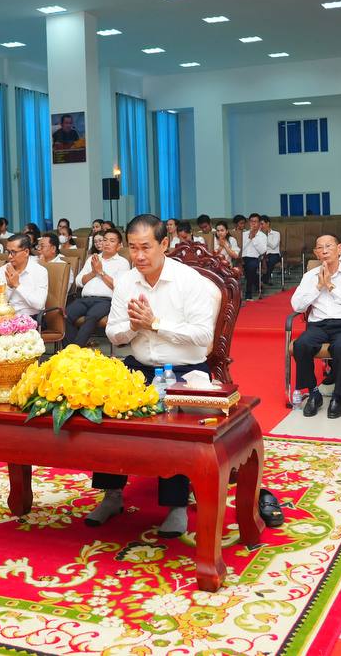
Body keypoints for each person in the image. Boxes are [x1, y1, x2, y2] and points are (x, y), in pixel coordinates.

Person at [89, 215, 222, 536]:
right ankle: (112, 494)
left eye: (146, 247)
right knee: (103, 408)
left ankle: (176, 507)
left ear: (164, 244)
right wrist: (134, 327)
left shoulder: (189, 281)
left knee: (172, 424)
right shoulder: (126, 282)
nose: (139, 256)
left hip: (185, 369)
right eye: (133, 248)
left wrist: (156, 324)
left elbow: (203, 335)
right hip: (140, 365)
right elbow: (115, 334)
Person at [289, 235, 341, 418]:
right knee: (301, 345)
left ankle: (338, 395)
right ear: (316, 252)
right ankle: (314, 393)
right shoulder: (309, 277)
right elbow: (297, 306)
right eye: (320, 247)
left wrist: (330, 286)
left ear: (339, 249)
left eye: (329, 246)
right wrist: (317, 287)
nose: (324, 251)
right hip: (318, 325)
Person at [65, 227, 130, 347]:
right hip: (85, 299)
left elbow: (119, 287)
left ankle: (74, 349)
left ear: (119, 246)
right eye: (105, 240)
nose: (107, 243)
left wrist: (100, 272)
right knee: (65, 315)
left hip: (105, 301)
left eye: (112, 241)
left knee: (92, 316)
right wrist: (93, 272)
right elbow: (79, 282)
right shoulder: (92, 259)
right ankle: (75, 348)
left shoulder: (123, 262)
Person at [0, 235, 49, 319]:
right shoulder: (3, 270)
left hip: (31, 318)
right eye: (8, 252)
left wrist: (17, 285)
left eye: (13, 252)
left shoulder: (40, 271)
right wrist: (9, 287)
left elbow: (40, 304)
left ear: (26, 252)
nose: (9, 256)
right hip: (6, 317)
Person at [241, 213, 268, 301]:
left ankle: (248, 293)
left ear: (259, 223)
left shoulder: (262, 236)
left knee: (250, 267)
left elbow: (262, 251)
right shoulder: (244, 234)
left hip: (255, 258)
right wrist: (249, 237)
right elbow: (241, 248)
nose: (253, 223)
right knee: (249, 269)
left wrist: (254, 238)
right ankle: (258, 283)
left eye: (255, 221)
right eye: (251, 221)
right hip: (242, 258)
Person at [261, 216, 282, 286]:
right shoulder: (259, 235)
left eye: (262, 224)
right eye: (260, 224)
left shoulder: (276, 233)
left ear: (268, 223)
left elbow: (273, 246)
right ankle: (261, 280)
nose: (261, 226)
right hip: (262, 254)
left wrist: (265, 237)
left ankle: (263, 279)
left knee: (270, 260)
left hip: (274, 254)